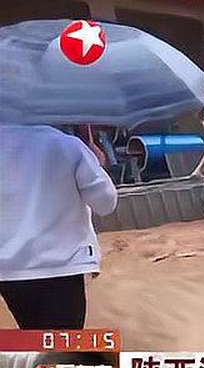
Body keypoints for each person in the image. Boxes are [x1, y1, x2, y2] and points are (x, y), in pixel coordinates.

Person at [0, 125, 118, 329]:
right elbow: (106, 203)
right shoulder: (66, 145)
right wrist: (94, 160)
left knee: (34, 335)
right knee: (62, 345)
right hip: (61, 265)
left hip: (9, 269)